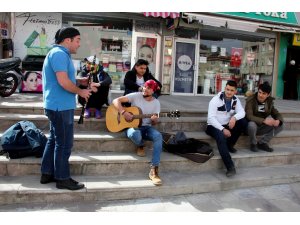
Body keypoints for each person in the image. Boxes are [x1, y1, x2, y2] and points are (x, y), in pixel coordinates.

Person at [40, 27, 98, 190]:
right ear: (67, 40)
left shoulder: (58, 54)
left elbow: (67, 78)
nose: (79, 44)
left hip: (56, 105)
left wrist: (82, 82)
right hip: (60, 107)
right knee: (64, 143)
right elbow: (63, 82)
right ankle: (62, 178)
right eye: (77, 40)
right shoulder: (59, 54)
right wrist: (81, 91)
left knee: (54, 139)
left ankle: (47, 173)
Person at [112, 79, 163, 186]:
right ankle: (140, 144)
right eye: (144, 86)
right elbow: (116, 101)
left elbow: (154, 123)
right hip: (132, 127)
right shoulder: (136, 95)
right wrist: (123, 112)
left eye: (148, 88)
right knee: (135, 134)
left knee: (158, 136)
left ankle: (154, 169)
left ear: (153, 91)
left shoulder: (156, 103)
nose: (145, 89)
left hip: (147, 128)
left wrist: (154, 120)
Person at [206, 80, 247, 177]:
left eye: (231, 90)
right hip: (212, 126)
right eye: (227, 89)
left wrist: (234, 118)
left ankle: (229, 145)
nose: (229, 92)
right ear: (225, 88)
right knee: (221, 137)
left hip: (226, 124)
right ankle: (230, 167)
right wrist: (222, 129)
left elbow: (242, 112)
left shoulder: (235, 100)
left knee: (242, 121)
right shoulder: (215, 100)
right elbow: (211, 118)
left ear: (235, 91)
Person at [245, 81, 284, 152]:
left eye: (264, 93)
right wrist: (264, 121)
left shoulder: (269, 102)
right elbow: (249, 116)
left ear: (268, 95)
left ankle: (262, 143)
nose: (260, 95)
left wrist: (278, 120)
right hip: (249, 128)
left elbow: (276, 113)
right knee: (251, 124)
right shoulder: (250, 100)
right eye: (259, 92)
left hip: (261, 126)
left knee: (281, 125)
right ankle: (253, 144)